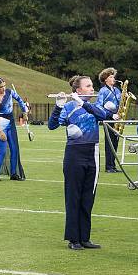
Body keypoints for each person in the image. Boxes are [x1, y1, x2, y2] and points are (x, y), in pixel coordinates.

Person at [49, 76, 108, 250]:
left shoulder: (93, 106)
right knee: (73, 196)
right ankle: (73, 239)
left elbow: (103, 115)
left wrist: (83, 104)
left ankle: (85, 237)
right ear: (78, 90)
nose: (92, 89)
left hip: (93, 153)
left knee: (88, 197)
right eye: (88, 86)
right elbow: (52, 125)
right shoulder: (68, 107)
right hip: (74, 154)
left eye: (92, 86)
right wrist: (58, 105)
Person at [0, 77, 28, 181]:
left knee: (14, 149)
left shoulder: (10, 92)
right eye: (1, 87)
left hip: (11, 123)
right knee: (2, 151)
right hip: (0, 124)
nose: (4, 88)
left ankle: (13, 174)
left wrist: (24, 112)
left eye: (4, 86)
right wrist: (0, 131)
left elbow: (19, 99)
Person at [96, 68, 122, 173]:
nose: (113, 78)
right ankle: (109, 166)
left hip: (117, 117)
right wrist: (111, 114)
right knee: (109, 142)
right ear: (105, 79)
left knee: (115, 141)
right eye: (110, 77)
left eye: (113, 76)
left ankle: (113, 165)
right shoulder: (103, 90)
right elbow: (98, 105)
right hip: (108, 118)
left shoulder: (117, 90)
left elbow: (121, 102)